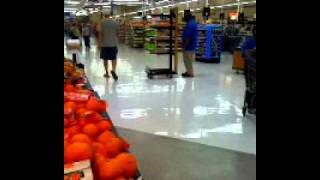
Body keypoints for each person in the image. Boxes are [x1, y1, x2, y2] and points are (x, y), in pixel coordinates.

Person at [98, 11, 120, 80]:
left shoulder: (102, 22)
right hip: (113, 44)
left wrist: (99, 44)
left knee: (105, 59)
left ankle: (107, 73)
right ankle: (113, 70)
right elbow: (118, 34)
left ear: (104, 15)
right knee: (114, 58)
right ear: (110, 15)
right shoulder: (115, 22)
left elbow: (101, 34)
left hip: (104, 44)